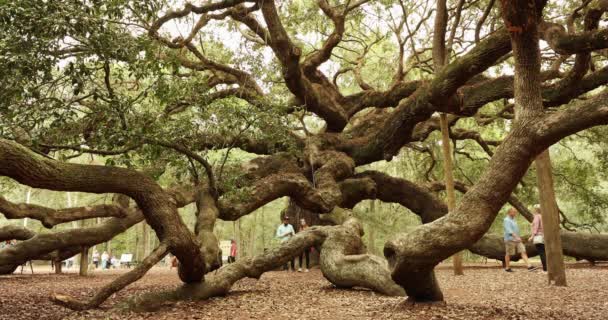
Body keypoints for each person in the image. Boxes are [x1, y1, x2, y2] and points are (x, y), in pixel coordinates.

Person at [529, 205, 547, 272]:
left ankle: (545, 269)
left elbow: (536, 227)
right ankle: (547, 268)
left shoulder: (537, 216)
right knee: (544, 252)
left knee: (542, 253)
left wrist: (532, 236)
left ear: (535, 210)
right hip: (543, 236)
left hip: (538, 236)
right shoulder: (543, 216)